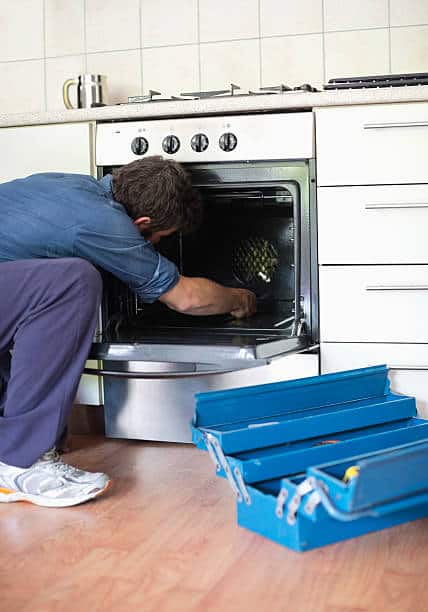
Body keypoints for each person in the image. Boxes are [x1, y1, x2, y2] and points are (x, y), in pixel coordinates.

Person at [0, 156, 257, 507]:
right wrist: (239, 298)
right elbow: (187, 299)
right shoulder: (102, 221)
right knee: (71, 282)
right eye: (158, 240)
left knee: (47, 284)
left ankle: (15, 445)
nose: (152, 248)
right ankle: (19, 463)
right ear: (143, 223)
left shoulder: (76, 187)